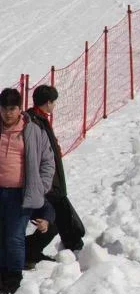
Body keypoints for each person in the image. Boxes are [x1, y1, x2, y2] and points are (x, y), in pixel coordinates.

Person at [0, 88, 55, 294]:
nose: (8, 113)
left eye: (12, 108)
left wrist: (40, 188)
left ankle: (13, 279)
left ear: (19, 108)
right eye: (4, 108)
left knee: (14, 238)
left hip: (19, 194)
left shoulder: (32, 131)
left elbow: (47, 162)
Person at [24, 85, 85, 268]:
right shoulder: (33, 122)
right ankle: (28, 252)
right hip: (45, 182)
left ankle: (33, 251)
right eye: (53, 102)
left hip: (52, 181)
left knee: (62, 218)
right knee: (54, 220)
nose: (54, 106)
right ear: (48, 102)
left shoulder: (39, 119)